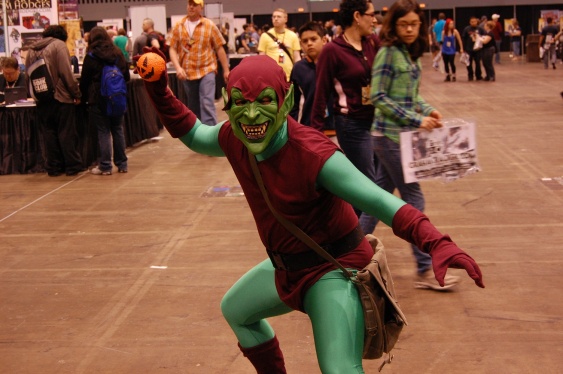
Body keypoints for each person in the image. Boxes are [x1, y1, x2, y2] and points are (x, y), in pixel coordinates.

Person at [135, 45, 484, 373]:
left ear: (286, 101)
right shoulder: (234, 136)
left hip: (332, 270)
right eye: (240, 102)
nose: (252, 114)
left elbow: (380, 201)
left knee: (339, 369)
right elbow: (196, 135)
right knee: (237, 311)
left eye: (265, 101)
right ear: (227, 101)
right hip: (285, 267)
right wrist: (159, 90)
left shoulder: (316, 155)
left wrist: (435, 241)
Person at [370, 0, 462, 290]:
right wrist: (415, 120)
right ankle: (426, 267)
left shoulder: (409, 53)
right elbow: (379, 97)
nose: (409, 29)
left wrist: (429, 111)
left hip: (400, 136)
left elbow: (411, 96)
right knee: (414, 199)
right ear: (393, 25)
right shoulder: (386, 53)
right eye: (403, 24)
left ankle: (346, 255)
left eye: (414, 24)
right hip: (389, 137)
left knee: (375, 200)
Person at [311, 0, 381, 237]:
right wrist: (315, 133)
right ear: (357, 16)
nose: (375, 19)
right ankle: (352, 245)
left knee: (363, 188)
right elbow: (321, 93)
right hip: (351, 125)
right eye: (372, 15)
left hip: (377, 123)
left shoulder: (373, 42)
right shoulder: (333, 50)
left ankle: (337, 229)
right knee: (371, 188)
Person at [25, 25, 83, 177]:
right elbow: (66, 73)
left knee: (49, 133)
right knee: (66, 132)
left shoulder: (31, 50)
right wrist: (76, 93)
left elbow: (27, 76)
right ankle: (72, 166)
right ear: (62, 36)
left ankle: (54, 167)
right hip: (61, 97)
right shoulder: (59, 45)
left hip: (41, 98)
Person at [168, 0, 230, 125]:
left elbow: (219, 48)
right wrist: (178, 68)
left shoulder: (209, 25)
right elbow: (172, 48)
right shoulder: (178, 26)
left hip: (207, 69)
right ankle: (198, 135)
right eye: (189, 4)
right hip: (187, 72)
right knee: (193, 106)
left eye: (194, 5)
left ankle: (211, 136)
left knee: (207, 103)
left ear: (201, 8)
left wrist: (226, 70)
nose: (191, 7)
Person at [80, 26, 130, 176]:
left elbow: (84, 81)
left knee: (103, 131)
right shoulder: (117, 53)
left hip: (98, 99)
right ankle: (122, 164)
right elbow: (126, 76)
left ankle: (105, 166)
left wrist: (83, 99)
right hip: (117, 98)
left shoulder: (91, 56)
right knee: (118, 129)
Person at [289, 22, 328, 127]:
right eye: (305, 41)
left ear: (324, 40)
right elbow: (293, 103)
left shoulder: (334, 64)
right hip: (307, 128)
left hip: (334, 128)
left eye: (313, 39)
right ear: (301, 44)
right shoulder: (298, 68)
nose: (309, 43)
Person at [258, 8, 301, 81]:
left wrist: (299, 73)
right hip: (270, 77)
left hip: (289, 77)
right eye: (274, 17)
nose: (275, 19)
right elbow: (261, 58)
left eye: (278, 17)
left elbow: (297, 58)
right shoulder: (265, 36)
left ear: (285, 19)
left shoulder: (293, 35)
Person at [462, 16, 485, 81]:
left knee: (478, 63)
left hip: (477, 49)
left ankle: (478, 75)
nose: (473, 23)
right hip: (469, 49)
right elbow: (464, 39)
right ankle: (470, 75)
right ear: (470, 22)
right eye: (472, 22)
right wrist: (463, 48)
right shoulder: (467, 29)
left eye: (475, 21)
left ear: (477, 22)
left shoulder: (480, 29)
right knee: (468, 63)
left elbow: (484, 37)